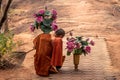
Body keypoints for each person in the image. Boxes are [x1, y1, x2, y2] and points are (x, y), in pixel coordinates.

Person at [32, 8, 58, 76]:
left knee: (43, 56)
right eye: (46, 16)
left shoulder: (40, 36)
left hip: (42, 49)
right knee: (47, 56)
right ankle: (47, 69)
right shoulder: (49, 36)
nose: (47, 17)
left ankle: (44, 69)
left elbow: (35, 44)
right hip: (47, 41)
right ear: (43, 16)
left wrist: (35, 46)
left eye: (48, 16)